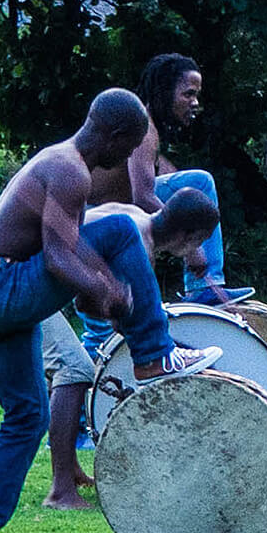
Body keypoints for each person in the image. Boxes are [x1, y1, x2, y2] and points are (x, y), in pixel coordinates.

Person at [0, 89, 222, 533]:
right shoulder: (70, 171)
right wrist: (105, 289)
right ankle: (155, 356)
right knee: (119, 227)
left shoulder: (61, 163)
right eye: (130, 146)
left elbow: (67, 246)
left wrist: (104, 285)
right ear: (115, 136)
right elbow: (57, 258)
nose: (126, 159)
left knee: (27, 417)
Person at [38, 188, 223, 511]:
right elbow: (86, 304)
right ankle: (60, 491)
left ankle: (70, 471)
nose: (198, 249)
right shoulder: (139, 243)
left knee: (77, 368)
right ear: (190, 236)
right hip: (25, 287)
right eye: (200, 241)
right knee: (75, 371)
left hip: (35, 282)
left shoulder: (132, 213)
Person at [79, 54, 252, 356]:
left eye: (197, 95)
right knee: (102, 340)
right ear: (163, 92)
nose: (195, 102)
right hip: (90, 226)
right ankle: (200, 292)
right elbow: (143, 195)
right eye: (188, 94)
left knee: (196, 183)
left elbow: (161, 175)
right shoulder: (143, 128)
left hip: (102, 222)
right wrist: (193, 248)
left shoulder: (148, 132)